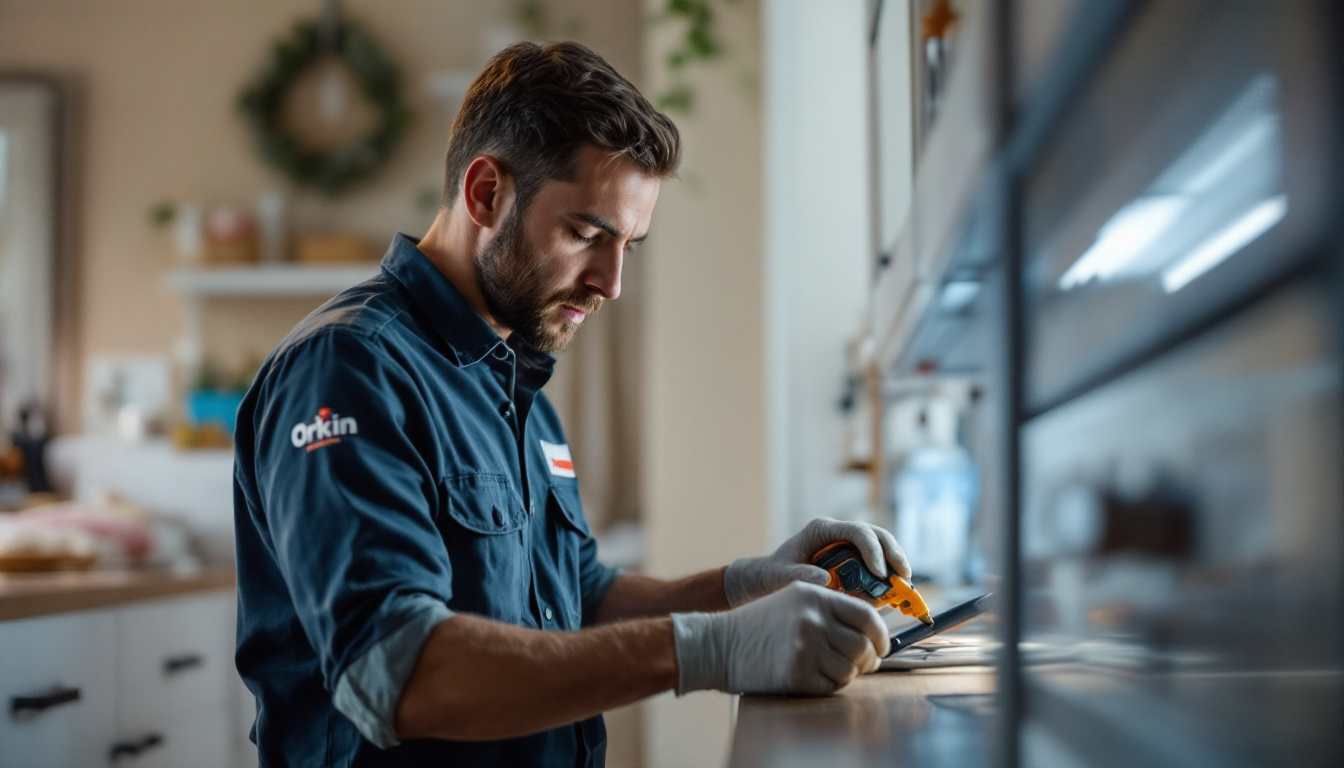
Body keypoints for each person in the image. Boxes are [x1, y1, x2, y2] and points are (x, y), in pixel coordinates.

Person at [232, 41, 910, 768]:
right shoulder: (348, 369)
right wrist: (709, 650)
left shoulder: (515, 370)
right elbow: (400, 673)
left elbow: (572, 596)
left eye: (630, 246)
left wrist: (740, 588)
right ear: (485, 193)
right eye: (586, 234)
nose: (611, 282)